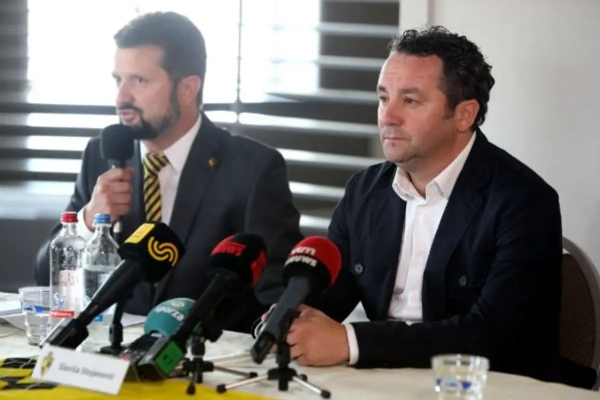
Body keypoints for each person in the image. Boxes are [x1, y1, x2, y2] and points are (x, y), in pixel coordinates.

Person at [269, 26, 570, 383]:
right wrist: (290, 318)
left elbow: (493, 335)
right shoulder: (365, 190)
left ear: (464, 114)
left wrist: (350, 341)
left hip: (480, 386)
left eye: (410, 101)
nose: (388, 116)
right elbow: (329, 297)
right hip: (382, 379)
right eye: (384, 98)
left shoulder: (525, 201)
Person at [34, 11, 304, 333]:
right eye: (118, 80)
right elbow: (45, 277)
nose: (121, 98)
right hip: (108, 348)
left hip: (207, 355)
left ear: (187, 89)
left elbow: (279, 298)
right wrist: (89, 220)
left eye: (139, 81)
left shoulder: (253, 168)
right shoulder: (102, 155)